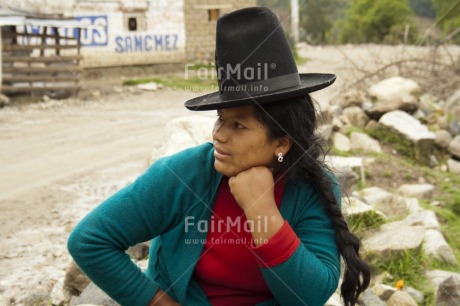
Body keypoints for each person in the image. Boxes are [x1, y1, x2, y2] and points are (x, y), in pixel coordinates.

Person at [67, 6, 371, 306]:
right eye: (220, 119)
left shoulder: (312, 188)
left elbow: (311, 296)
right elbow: (90, 240)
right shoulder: (184, 175)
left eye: (238, 125)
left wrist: (261, 208)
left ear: (282, 143)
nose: (219, 135)